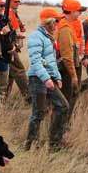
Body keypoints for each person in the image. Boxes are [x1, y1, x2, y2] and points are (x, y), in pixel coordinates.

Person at [25, 8, 69, 150]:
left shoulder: (49, 37)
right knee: (38, 113)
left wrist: (57, 77)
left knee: (63, 106)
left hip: (49, 78)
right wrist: (46, 79)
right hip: (38, 79)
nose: (57, 23)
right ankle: (31, 145)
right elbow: (36, 61)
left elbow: (51, 60)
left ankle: (54, 143)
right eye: (56, 21)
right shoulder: (36, 37)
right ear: (49, 21)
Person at [56, 0, 84, 119]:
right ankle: (61, 128)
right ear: (72, 11)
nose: (80, 13)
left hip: (68, 68)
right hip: (66, 70)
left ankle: (64, 123)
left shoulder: (68, 24)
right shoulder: (65, 28)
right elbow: (67, 56)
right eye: (78, 11)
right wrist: (73, 76)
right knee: (65, 100)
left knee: (68, 98)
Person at [6, 0, 30, 103]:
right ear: (9, 1)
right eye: (15, 1)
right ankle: (28, 96)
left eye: (18, 1)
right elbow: (7, 31)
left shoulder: (13, 13)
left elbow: (14, 29)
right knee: (19, 70)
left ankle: (4, 99)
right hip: (9, 47)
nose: (18, 3)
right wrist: (17, 35)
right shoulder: (7, 13)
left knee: (10, 75)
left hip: (13, 46)